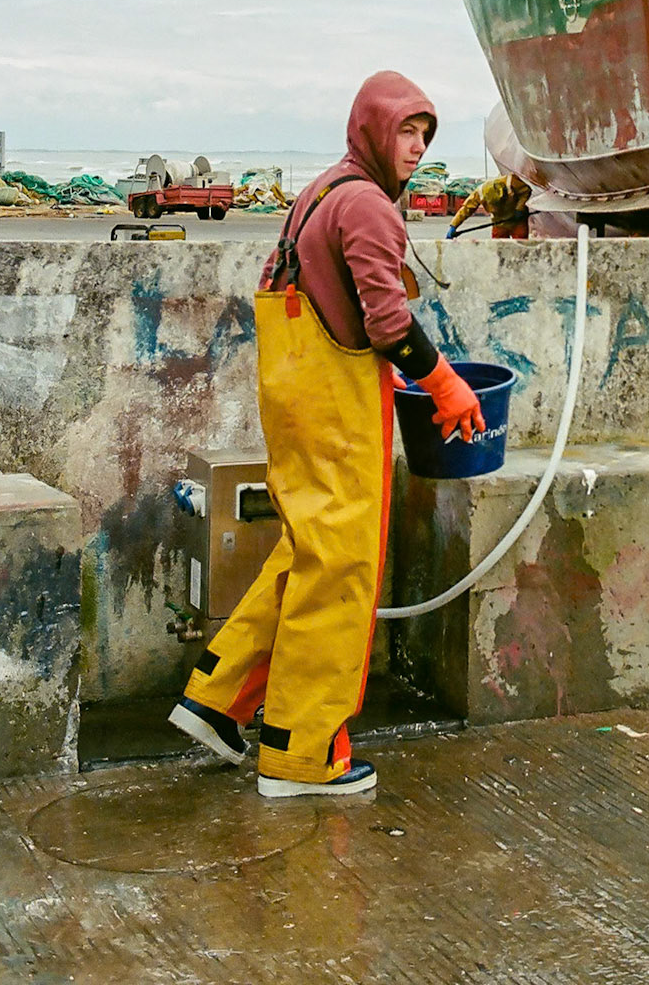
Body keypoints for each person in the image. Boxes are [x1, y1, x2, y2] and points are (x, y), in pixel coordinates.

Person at [168, 70, 485, 799]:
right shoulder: (369, 208)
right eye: (406, 131)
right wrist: (443, 384)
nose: (416, 148)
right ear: (373, 129)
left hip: (294, 400)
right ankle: (301, 754)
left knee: (306, 549)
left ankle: (214, 701)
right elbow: (387, 323)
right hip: (335, 413)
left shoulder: (320, 191)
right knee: (340, 571)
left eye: (425, 135)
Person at [446, 171, 532, 240]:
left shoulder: (511, 182)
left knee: (521, 248)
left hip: (517, 220)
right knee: (499, 249)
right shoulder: (480, 192)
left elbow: (526, 192)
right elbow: (466, 209)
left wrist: (519, 208)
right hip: (498, 222)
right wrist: (454, 225)